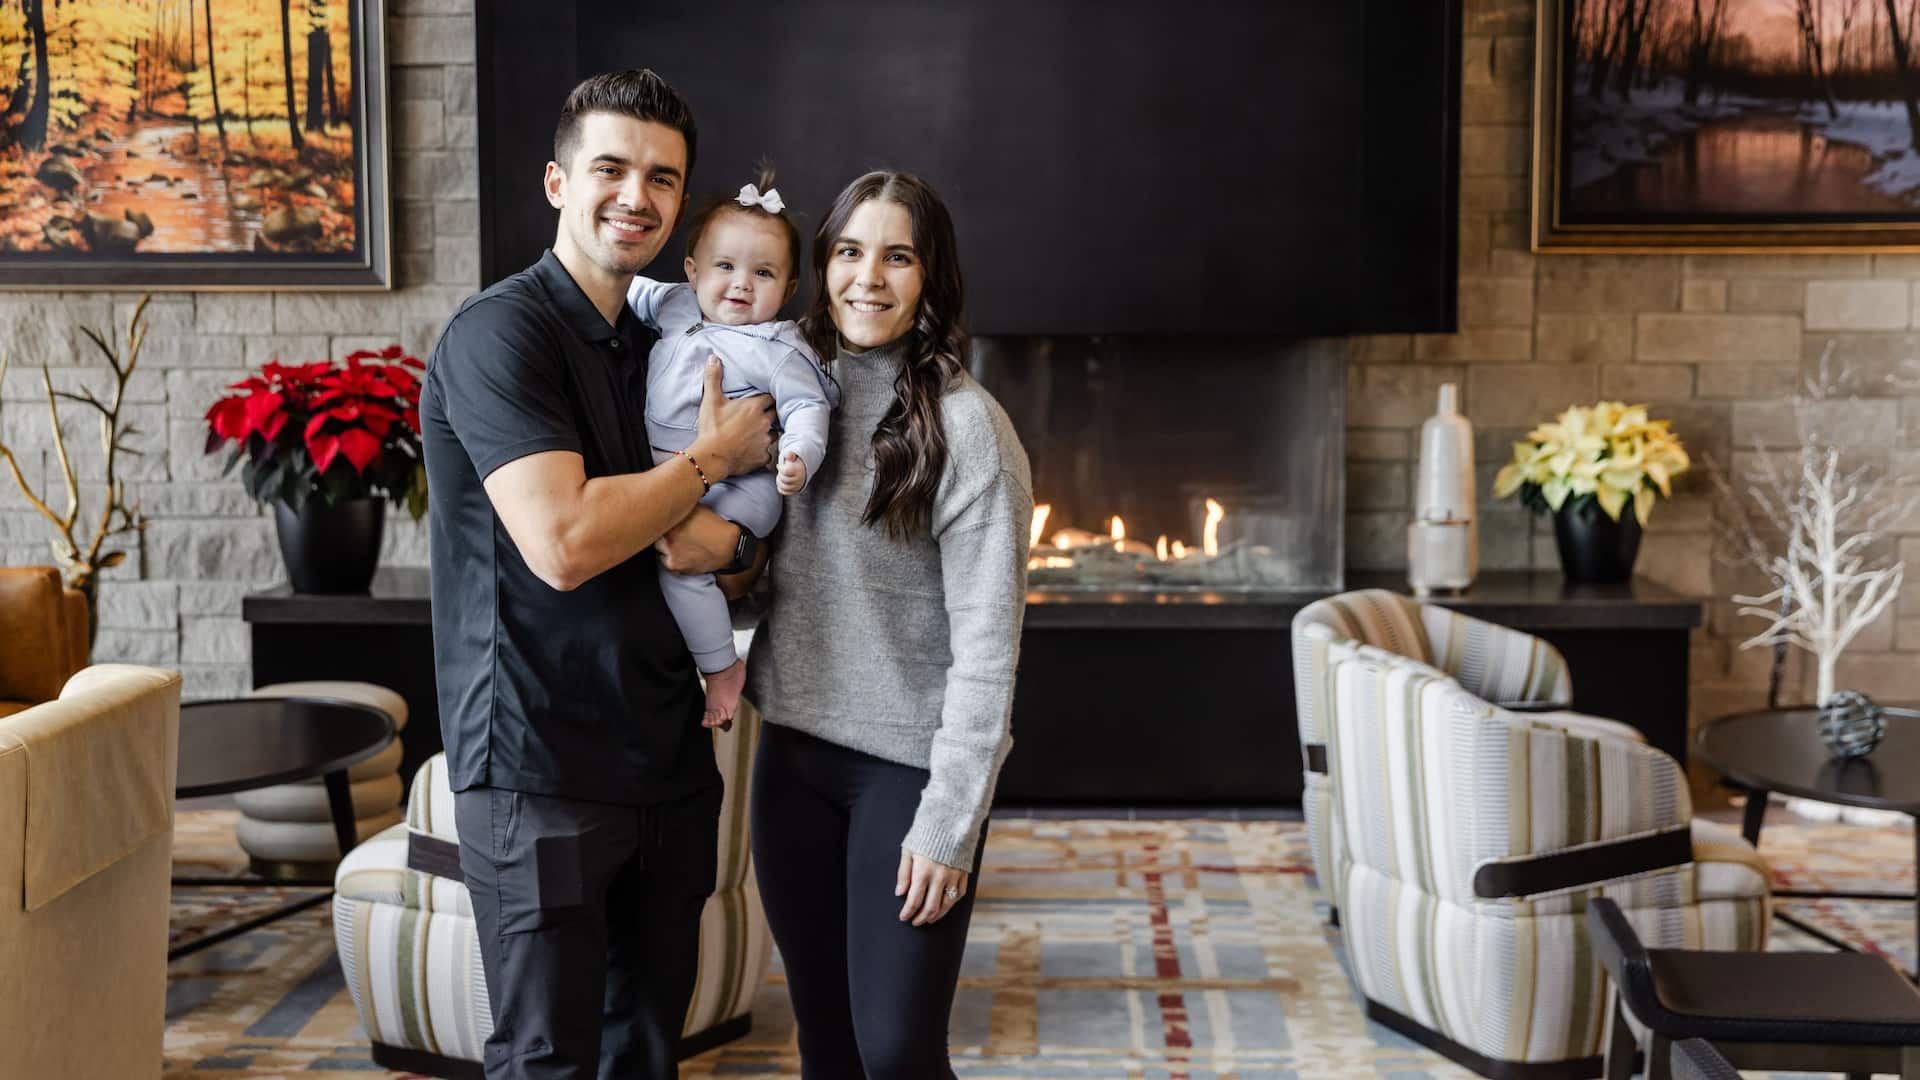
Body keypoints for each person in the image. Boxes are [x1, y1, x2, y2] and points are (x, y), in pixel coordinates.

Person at [417, 68, 775, 1080]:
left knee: (646, 1053)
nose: (637, 195)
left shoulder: (664, 338)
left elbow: (715, 547)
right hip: (537, 762)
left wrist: (735, 548)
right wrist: (708, 463)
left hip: (661, 756)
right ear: (555, 183)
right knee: (547, 1062)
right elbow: (564, 542)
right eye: (611, 168)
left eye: (663, 178)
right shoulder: (502, 334)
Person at [744, 170, 1033, 1078]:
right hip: (788, 761)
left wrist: (951, 821)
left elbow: (989, 653)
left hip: (906, 775)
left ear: (931, 279)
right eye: (849, 251)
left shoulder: (969, 429)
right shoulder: (780, 384)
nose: (869, 277)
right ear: (821, 264)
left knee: (899, 1050)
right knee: (826, 1043)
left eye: (898, 256)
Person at [626, 165, 838, 731]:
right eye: (725, 266)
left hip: (743, 490)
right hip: (677, 470)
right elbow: (625, 288)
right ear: (693, 272)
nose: (741, 283)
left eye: (763, 272)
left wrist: (799, 456)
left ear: (789, 289)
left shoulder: (778, 348)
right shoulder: (675, 307)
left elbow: (807, 410)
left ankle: (720, 667)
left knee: (680, 567)